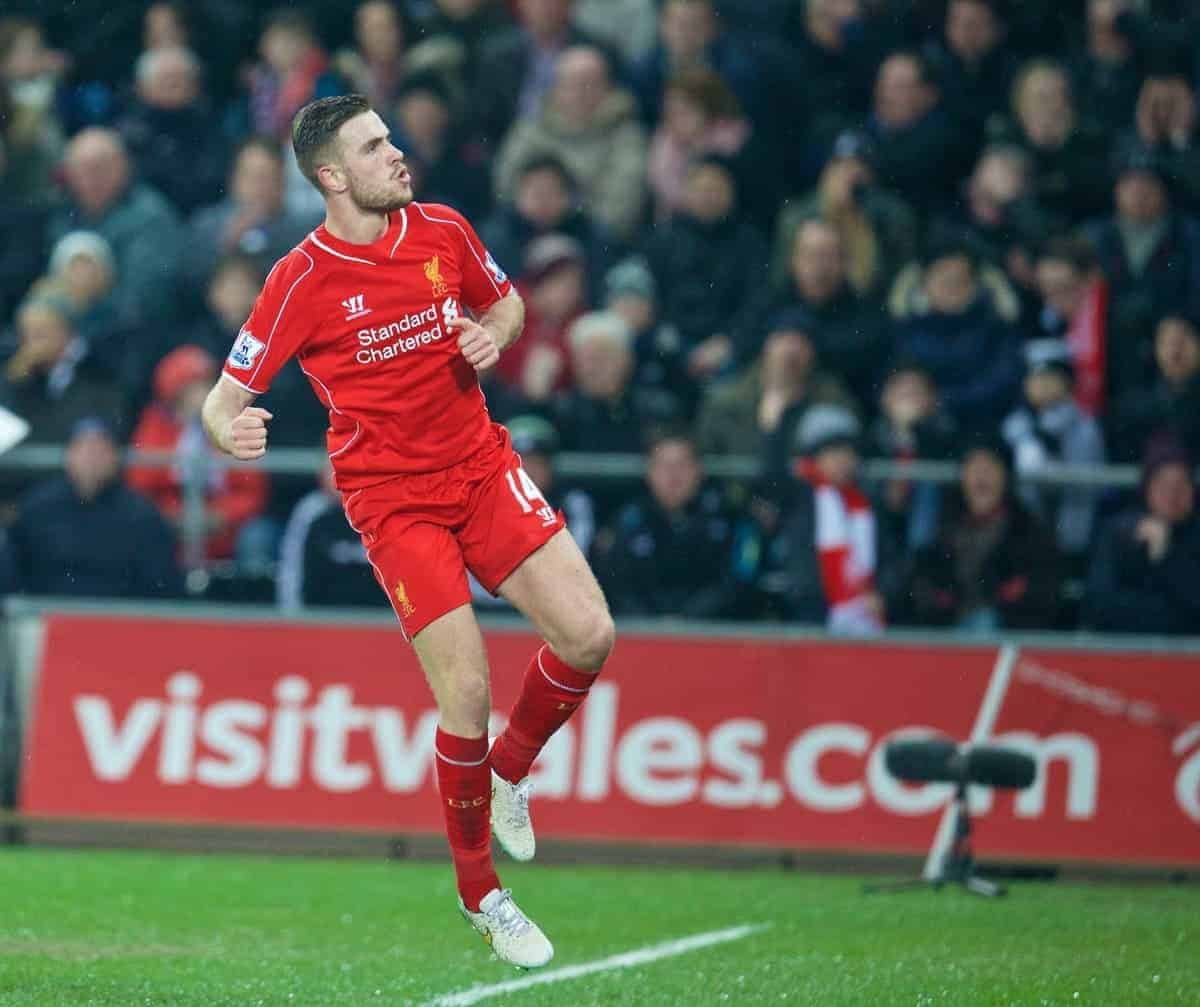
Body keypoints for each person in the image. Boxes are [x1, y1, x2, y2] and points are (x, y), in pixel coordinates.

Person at [200, 94, 614, 969]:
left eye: (392, 138)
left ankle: (510, 768)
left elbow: (505, 305)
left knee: (588, 635)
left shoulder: (442, 229)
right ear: (331, 176)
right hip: (393, 500)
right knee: (464, 691)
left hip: (481, 465)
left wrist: (492, 335)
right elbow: (221, 399)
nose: (398, 153)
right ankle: (482, 894)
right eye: (375, 145)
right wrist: (227, 431)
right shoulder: (298, 281)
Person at [3, 417, 182, 598]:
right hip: (45, 617)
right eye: (83, 449)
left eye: (100, 450)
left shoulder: (142, 515)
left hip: (118, 619)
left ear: (115, 457)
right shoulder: (39, 508)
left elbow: (160, 585)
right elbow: (13, 572)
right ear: (69, 456)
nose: (91, 459)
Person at [898, 435, 1062, 631]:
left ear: (1005, 476)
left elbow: (1041, 598)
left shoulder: (1030, 532)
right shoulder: (942, 526)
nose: (981, 477)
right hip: (945, 636)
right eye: (973, 467)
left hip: (1003, 639)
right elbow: (920, 590)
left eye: (990, 467)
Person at [127, 345, 270, 563]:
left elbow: (253, 490)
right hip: (171, 524)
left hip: (225, 528)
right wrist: (173, 513)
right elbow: (140, 484)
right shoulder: (156, 425)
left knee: (258, 536)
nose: (202, 394)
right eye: (192, 388)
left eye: (207, 385)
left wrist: (221, 515)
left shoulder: (234, 419)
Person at [752, 405, 885, 634]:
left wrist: (882, 593)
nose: (843, 461)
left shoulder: (866, 503)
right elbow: (771, 477)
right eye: (834, 452)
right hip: (808, 609)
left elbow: (886, 556)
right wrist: (772, 426)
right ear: (815, 457)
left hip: (864, 612)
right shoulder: (800, 494)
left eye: (849, 452)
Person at [493, 44, 648, 241]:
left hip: (590, 239)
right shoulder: (529, 131)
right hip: (526, 234)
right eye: (571, 84)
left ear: (608, 88)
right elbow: (506, 186)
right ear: (555, 88)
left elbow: (623, 202)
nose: (580, 93)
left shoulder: (625, 135)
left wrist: (570, 223)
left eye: (590, 84)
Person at [594, 431, 745, 619]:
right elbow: (616, 585)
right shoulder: (627, 521)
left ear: (699, 471)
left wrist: (688, 618)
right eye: (664, 466)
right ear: (649, 473)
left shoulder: (726, 520)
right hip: (642, 634)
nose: (673, 475)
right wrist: (653, 624)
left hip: (710, 632)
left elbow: (735, 583)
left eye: (682, 465)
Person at [48, 128, 184, 327]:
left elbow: (141, 302)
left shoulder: (150, 216)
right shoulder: (62, 215)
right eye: (80, 169)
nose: (89, 179)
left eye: (99, 168)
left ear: (123, 165)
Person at [1001, 339, 1106, 561]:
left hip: (1074, 531)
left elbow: (1088, 484)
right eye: (1036, 378)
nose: (1043, 385)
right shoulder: (1014, 427)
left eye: (1051, 377)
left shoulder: (1085, 427)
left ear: (1068, 382)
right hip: (1024, 533)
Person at [1085, 436, 1200, 635]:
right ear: (1147, 488)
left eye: (1182, 484)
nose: (1173, 494)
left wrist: (1164, 558)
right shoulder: (1118, 533)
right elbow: (1099, 605)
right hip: (1123, 652)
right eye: (1163, 484)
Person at [117, 46, 227, 215]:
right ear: (143, 86)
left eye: (181, 79)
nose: (173, 86)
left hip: (202, 217)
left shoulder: (210, 127)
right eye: (165, 79)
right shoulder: (128, 132)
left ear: (195, 85)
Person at [277, 454, 388, 611]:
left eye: (348, 469)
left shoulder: (382, 508)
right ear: (320, 474)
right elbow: (291, 568)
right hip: (320, 618)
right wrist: (292, 615)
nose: (340, 477)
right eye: (333, 469)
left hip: (377, 620)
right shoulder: (310, 511)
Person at [1110, 313, 1200, 463]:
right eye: (1167, 341)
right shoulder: (1133, 408)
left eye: (1183, 340)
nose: (1176, 351)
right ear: (1155, 349)